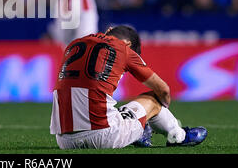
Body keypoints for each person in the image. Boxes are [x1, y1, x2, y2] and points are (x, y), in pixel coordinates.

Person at [50, 25, 207, 149]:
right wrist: (158, 111)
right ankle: (177, 135)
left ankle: (140, 131)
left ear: (109, 30)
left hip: (64, 140)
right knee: (153, 99)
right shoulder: (123, 49)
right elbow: (163, 90)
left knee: (115, 111)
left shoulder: (74, 44)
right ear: (128, 44)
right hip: (103, 136)